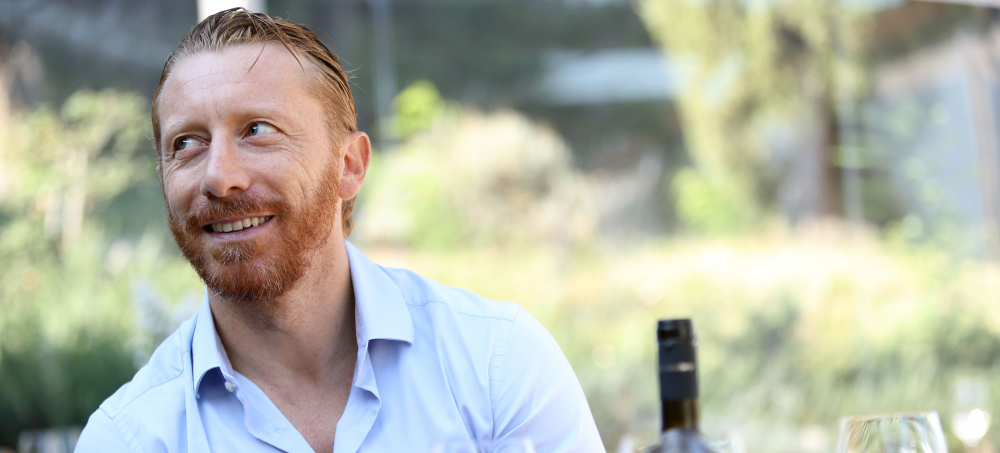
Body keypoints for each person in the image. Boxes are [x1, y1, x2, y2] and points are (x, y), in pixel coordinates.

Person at [74, 8, 604, 453]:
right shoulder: (128, 439)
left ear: (349, 166)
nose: (218, 176)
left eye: (257, 130)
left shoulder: (496, 366)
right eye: (187, 143)